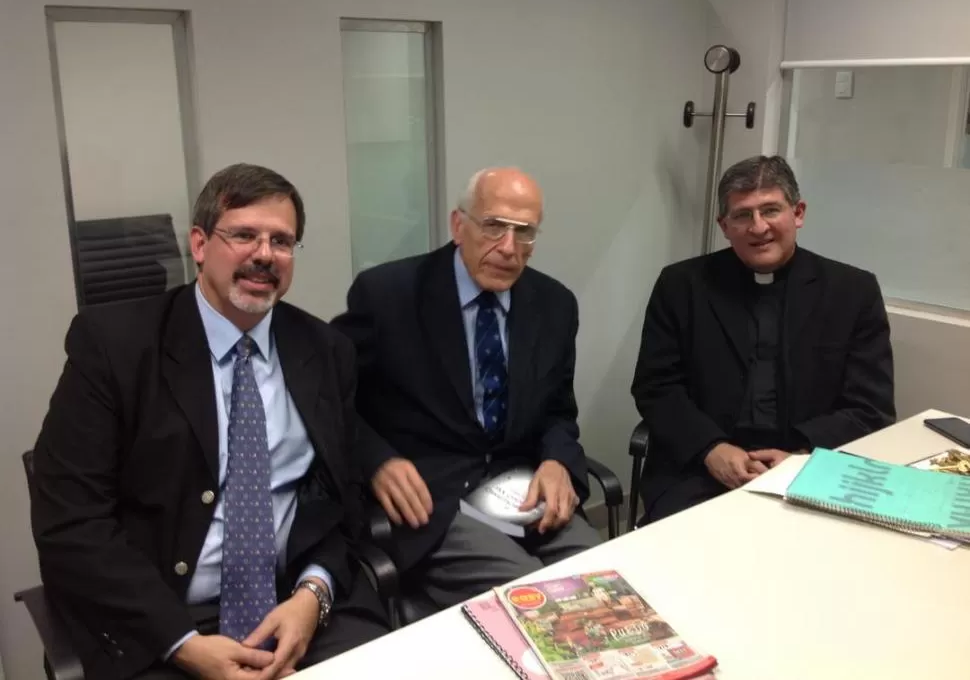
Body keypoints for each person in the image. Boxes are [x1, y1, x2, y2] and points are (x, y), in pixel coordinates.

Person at [30, 164, 390, 680]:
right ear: (199, 245)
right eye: (244, 235)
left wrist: (314, 594)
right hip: (160, 624)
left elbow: (339, 499)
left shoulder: (325, 352)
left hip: (295, 607)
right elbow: (71, 524)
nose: (264, 254)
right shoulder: (114, 347)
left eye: (282, 241)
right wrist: (182, 643)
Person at [332, 166, 600, 613]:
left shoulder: (554, 304)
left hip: (520, 484)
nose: (508, 248)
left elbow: (557, 407)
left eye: (524, 232)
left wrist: (558, 460)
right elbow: (328, 398)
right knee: (534, 601)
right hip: (431, 498)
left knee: (603, 579)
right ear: (460, 225)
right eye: (494, 226)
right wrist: (375, 460)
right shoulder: (388, 294)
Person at [631, 155, 895, 523]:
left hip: (811, 465)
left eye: (771, 210)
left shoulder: (853, 292)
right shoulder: (682, 286)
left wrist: (802, 454)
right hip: (698, 469)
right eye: (742, 215)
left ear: (798, 213)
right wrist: (711, 448)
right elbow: (656, 386)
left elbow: (871, 407)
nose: (758, 227)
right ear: (724, 225)